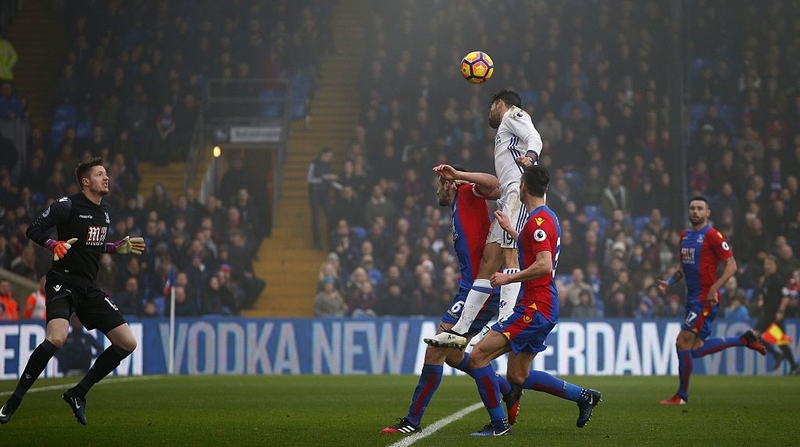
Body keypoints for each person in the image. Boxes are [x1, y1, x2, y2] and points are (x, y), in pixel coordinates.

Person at [0, 157, 146, 426]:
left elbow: (93, 245)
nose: (107, 178)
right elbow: (33, 229)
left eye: (106, 174)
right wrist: (53, 243)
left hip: (89, 287)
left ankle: (78, 393)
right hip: (63, 281)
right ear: (86, 182)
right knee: (56, 338)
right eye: (101, 174)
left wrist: (115, 247)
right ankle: (13, 400)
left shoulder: (105, 212)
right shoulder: (66, 206)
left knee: (127, 343)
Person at [464, 165, 601, 437]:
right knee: (517, 376)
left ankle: (499, 426)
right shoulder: (544, 218)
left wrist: (507, 278)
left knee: (478, 357)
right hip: (541, 306)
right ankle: (584, 396)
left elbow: (544, 265)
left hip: (534, 308)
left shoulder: (538, 222)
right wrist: (511, 230)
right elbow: (535, 248)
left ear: (523, 187)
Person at [381, 164, 510, 435]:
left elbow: (494, 183)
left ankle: (412, 421)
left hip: (479, 291)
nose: (437, 189)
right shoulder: (457, 207)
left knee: (435, 350)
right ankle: (503, 389)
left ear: (450, 183)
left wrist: (460, 176)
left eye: (440, 183)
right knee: (453, 356)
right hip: (471, 289)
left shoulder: (468, 193)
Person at [425, 88, 542, 349]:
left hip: (518, 192)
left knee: (509, 254)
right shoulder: (505, 132)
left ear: (498, 104)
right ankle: (460, 330)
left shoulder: (513, 115)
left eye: (490, 108)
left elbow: (535, 136)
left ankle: (505, 318)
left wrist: (531, 157)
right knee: (488, 263)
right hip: (507, 197)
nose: (489, 114)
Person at [658, 197, 766, 405]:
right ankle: (743, 340)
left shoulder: (713, 236)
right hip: (692, 299)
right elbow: (683, 267)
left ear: (708, 213)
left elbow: (731, 265)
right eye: (692, 208)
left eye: (700, 208)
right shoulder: (685, 236)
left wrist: (715, 287)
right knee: (695, 349)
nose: (695, 211)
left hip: (705, 299)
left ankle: (681, 396)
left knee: (682, 342)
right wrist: (669, 282)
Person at [752, 255, 799, 374]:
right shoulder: (766, 279)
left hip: (774, 315)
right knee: (754, 336)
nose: (767, 266)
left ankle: (793, 366)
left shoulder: (777, 279)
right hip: (767, 314)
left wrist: (780, 311)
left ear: (775, 266)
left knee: (781, 342)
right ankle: (779, 356)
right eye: (766, 264)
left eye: (770, 264)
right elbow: (766, 295)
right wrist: (761, 302)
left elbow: (785, 296)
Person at [307, 147, 338, 250]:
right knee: (315, 217)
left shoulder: (328, 165)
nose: (331, 158)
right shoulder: (313, 164)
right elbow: (310, 179)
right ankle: (316, 241)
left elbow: (329, 181)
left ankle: (330, 239)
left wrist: (337, 185)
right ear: (323, 155)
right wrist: (323, 178)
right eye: (329, 156)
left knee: (331, 214)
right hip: (315, 193)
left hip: (324, 193)